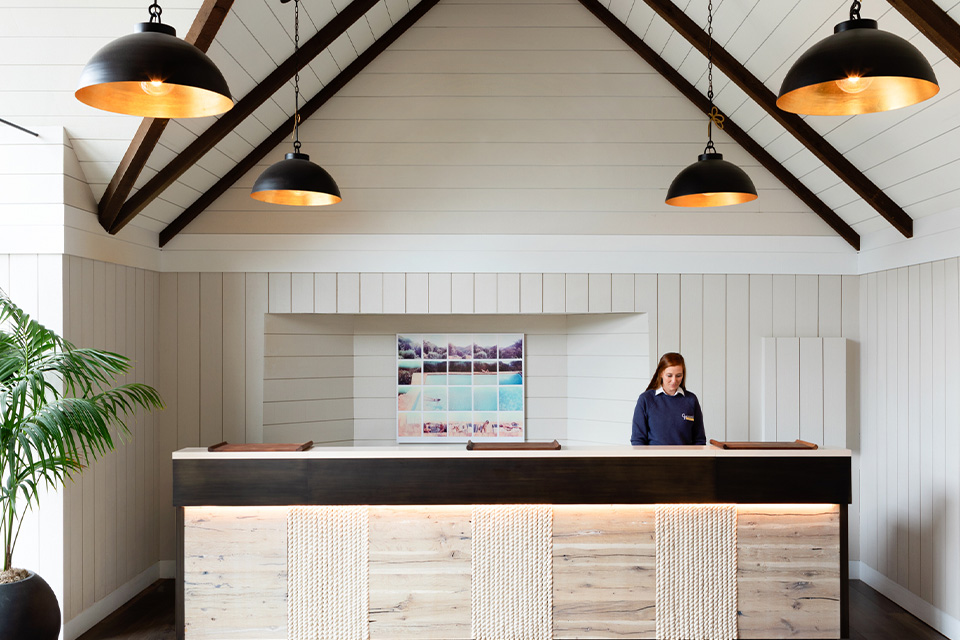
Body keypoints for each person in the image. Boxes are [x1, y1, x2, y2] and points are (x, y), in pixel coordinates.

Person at [631, 352, 706, 446]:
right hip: (654, 460)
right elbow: (637, 440)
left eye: (678, 375)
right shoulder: (646, 400)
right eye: (669, 375)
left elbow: (699, 440)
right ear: (661, 373)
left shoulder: (691, 400)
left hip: (685, 460)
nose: (674, 380)